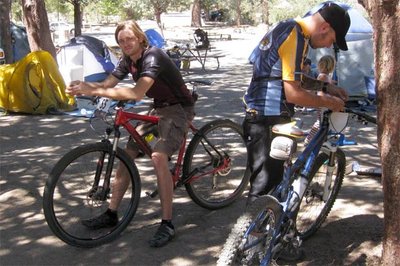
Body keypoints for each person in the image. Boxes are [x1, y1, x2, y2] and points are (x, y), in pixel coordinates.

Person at [66, 20, 196, 248]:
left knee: (158, 156)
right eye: (121, 40)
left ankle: (167, 223)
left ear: (140, 39)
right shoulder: (128, 60)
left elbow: (136, 93)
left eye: (129, 39)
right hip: (159, 107)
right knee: (127, 155)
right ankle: (112, 212)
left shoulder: (153, 56)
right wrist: (84, 85)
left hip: (179, 110)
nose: (125, 43)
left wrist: (95, 89)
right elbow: (108, 82)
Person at [242, 2, 350, 261]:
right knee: (264, 186)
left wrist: (327, 88)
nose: (326, 47)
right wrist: (328, 102)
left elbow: (288, 75)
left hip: (267, 116)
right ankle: (250, 253)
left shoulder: (287, 29)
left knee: (275, 182)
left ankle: (274, 239)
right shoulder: (294, 34)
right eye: (330, 40)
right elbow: (294, 93)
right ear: (324, 27)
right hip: (268, 118)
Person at [304, 54, 336, 145]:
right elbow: (321, 92)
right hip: (322, 104)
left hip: (324, 103)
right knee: (319, 122)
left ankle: (320, 138)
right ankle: (309, 140)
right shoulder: (322, 76)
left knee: (323, 122)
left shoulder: (326, 76)